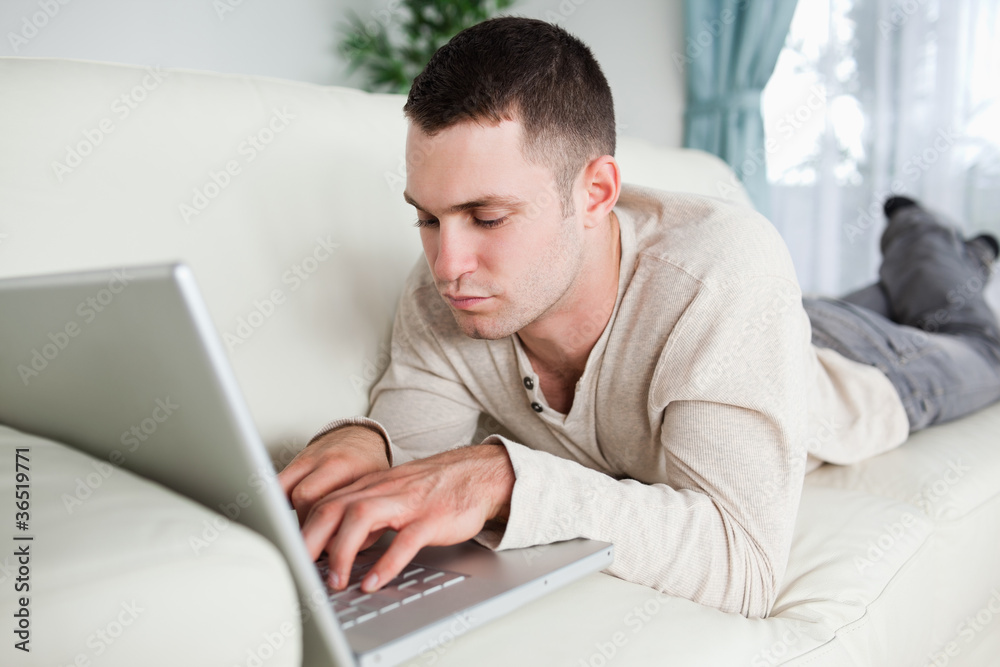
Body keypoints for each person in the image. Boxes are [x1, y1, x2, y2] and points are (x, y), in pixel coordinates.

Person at [277, 17, 1000, 618]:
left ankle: (924, 232)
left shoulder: (724, 269)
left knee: (973, 337)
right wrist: (365, 445)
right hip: (762, 328)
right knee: (851, 302)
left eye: (486, 216)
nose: (447, 263)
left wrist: (504, 475)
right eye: (428, 219)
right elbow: (410, 463)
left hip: (852, 371)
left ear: (595, 193)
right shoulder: (447, 288)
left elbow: (739, 565)